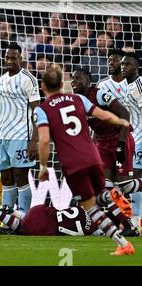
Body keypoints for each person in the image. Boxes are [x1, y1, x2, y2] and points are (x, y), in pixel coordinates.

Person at [34, 64, 135, 255]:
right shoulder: (78, 99)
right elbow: (103, 115)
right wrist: (121, 121)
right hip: (94, 156)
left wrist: (43, 166)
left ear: (42, 87)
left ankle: (123, 243)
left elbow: (45, 140)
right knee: (100, 195)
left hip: (73, 165)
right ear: (62, 83)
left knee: (89, 206)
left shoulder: (43, 109)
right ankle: (113, 195)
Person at [71, 67, 139, 236]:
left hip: (120, 138)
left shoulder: (100, 94)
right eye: (72, 79)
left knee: (125, 185)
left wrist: (121, 144)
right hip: (102, 144)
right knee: (104, 189)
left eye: (78, 78)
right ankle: (128, 226)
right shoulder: (78, 101)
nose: (74, 82)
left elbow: (124, 113)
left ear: (88, 80)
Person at [0, 42, 39, 234]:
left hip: (21, 135)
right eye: (7, 57)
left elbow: (37, 111)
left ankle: (25, 219)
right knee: (6, 178)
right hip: (4, 136)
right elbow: (2, 111)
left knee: (20, 176)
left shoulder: (28, 79)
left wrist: (34, 140)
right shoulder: (1, 80)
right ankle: (7, 222)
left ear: (21, 58)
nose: (9, 61)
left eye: (13, 58)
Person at [121, 52, 142, 230]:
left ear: (136, 67)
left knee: (135, 176)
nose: (123, 67)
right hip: (134, 139)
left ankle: (137, 219)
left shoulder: (139, 84)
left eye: (127, 64)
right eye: (122, 64)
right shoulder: (127, 86)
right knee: (132, 177)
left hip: (141, 138)